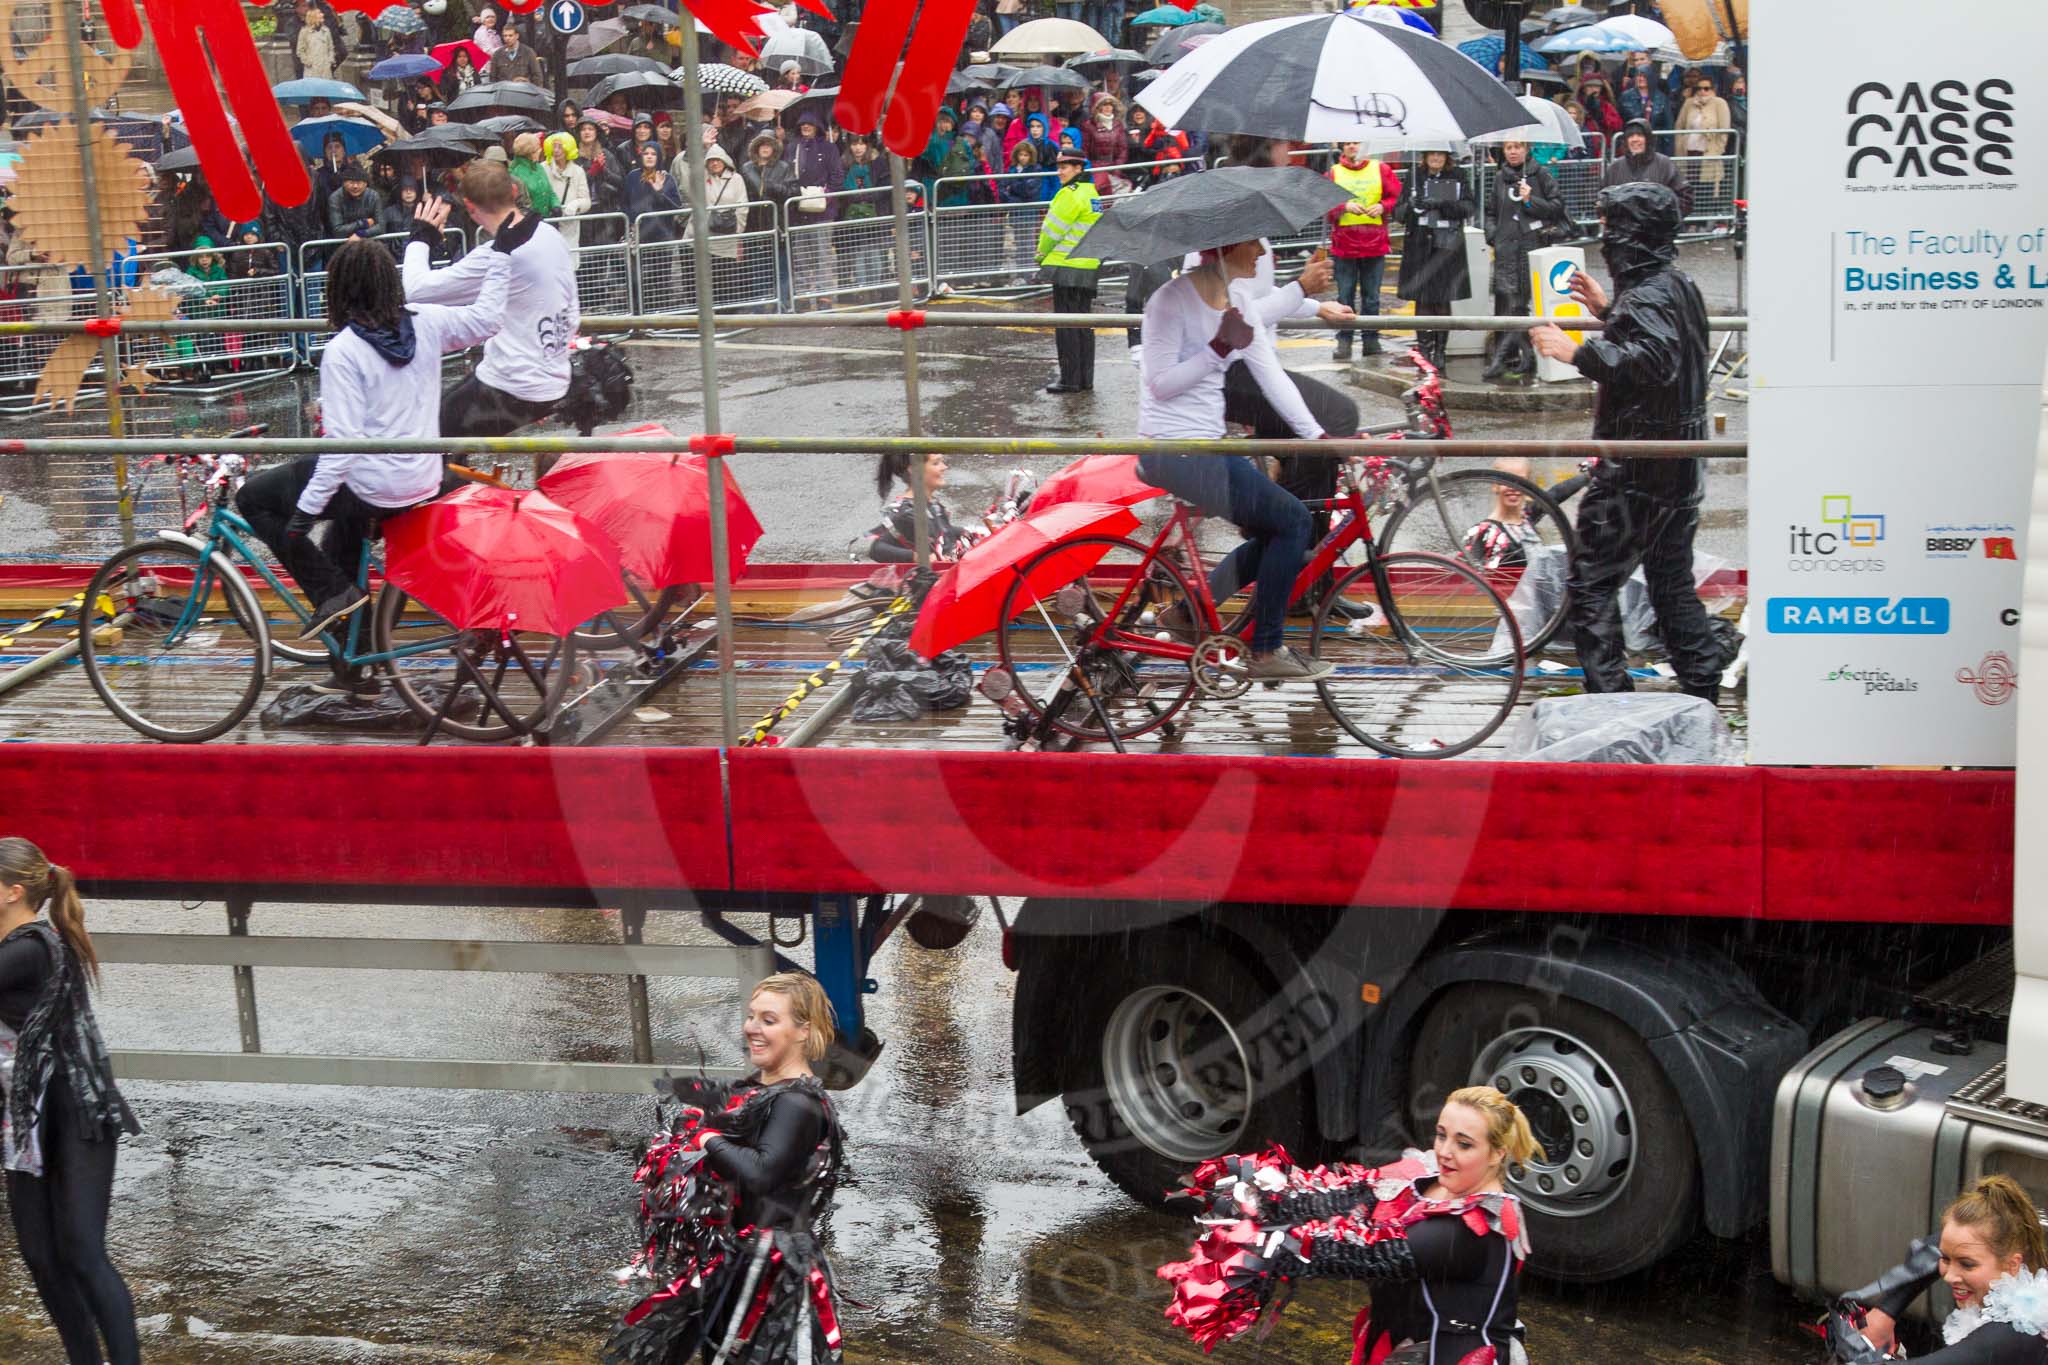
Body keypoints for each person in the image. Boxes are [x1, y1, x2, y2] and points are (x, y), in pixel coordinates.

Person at [239, 231, 509, 661]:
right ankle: (352, 661)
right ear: (390, 283)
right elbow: (488, 320)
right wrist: (501, 256)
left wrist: (302, 519)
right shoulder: (427, 322)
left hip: (371, 486)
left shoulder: (344, 350)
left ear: (340, 291)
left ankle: (331, 593)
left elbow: (341, 448)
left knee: (253, 498)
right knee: (341, 542)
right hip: (422, 478)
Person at [1158, 1085, 1538, 1362]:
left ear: (1497, 1154)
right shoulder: (1424, 1177)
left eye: (1464, 1144)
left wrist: (1268, 1246)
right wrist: (1266, 1195)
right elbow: (1350, 1194)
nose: (1445, 1152)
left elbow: (1366, 1253)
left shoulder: (1477, 1229)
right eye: (1441, 1135)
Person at [1531, 181, 1719, 703]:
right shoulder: (1675, 285)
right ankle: (1702, 690)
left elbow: (1654, 360)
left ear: (1634, 234)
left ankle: (1611, 697)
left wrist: (1578, 353)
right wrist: (1611, 311)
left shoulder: (1651, 293)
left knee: (1592, 583)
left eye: (1613, 228)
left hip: (1637, 466)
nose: (1607, 240)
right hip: (1678, 463)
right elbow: (1660, 345)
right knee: (1669, 582)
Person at [604, 972, 847, 1365]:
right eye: (752, 1017)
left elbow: (761, 1174)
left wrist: (705, 1140)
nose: (752, 1028)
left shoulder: (797, 1104)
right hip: (733, 1256)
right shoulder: (763, 1090)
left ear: (804, 1031)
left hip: (769, 1268)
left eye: (769, 1020)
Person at [1134, 240, 1332, 682]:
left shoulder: (1239, 299)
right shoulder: (1170, 301)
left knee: (1277, 532)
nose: (1262, 254)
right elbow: (1161, 384)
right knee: (1294, 522)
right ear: (1225, 249)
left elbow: (1272, 376)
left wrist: (1318, 436)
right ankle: (1266, 651)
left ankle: (1188, 615)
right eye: (1254, 245)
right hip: (1172, 448)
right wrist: (1219, 349)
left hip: (1209, 445)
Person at [0, 838, 144, 1365]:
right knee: (41, 1256)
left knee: (81, 1252)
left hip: (78, 1112)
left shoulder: (33, 949)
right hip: (29, 1117)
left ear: (12, 893)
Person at [404, 157, 578, 446]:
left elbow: (417, 290)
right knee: (445, 426)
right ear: (513, 191)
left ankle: (447, 488)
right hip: (555, 376)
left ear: (470, 208)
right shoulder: (550, 234)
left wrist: (421, 238)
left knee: (427, 436)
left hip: (512, 386)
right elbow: (572, 307)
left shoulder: (496, 255)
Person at [1832, 1176, 2048, 1363]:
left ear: (2012, 1264)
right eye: (1945, 1259)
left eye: (1967, 1264)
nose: (1950, 1275)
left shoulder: (2014, 1332)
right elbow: (1934, 1246)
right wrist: (1886, 1312)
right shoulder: (2010, 1280)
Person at [1482, 139, 1560, 382]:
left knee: (1519, 305)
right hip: (1505, 250)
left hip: (1530, 248)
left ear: (1526, 149)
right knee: (1509, 304)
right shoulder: (1498, 178)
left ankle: (1501, 358)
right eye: (1509, 147)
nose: (1513, 151)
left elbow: (1557, 208)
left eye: (1518, 147)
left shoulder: (1541, 175)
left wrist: (1530, 200)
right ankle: (1526, 358)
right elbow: (1491, 211)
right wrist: (1493, 234)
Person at [1395, 147, 1473, 372]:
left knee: (1442, 298)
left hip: (1447, 244)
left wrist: (1441, 203)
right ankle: (1424, 348)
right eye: (1432, 154)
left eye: (1441, 154)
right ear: (1425, 156)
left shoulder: (1458, 175)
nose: (1436, 158)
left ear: (1447, 157)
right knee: (1422, 299)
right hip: (1419, 244)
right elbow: (1398, 214)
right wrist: (1411, 204)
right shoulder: (1413, 176)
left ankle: (1440, 349)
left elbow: (1468, 207)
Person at [1324, 139, 1402, 361]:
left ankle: (1371, 341)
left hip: (1373, 244)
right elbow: (1325, 206)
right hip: (1345, 246)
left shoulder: (1381, 169)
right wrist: (1344, 206)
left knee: (1372, 298)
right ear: (1342, 147)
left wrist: (1383, 206)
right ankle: (1344, 342)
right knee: (1344, 297)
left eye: (1356, 142)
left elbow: (1395, 197)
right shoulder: (1334, 173)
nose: (1352, 147)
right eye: (1347, 143)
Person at [1036, 148, 1102, 395]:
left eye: (1065, 167)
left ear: (1078, 168)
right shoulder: (1091, 193)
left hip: (1066, 265)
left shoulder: (1069, 194)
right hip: (1087, 266)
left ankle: (1069, 379)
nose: (1059, 171)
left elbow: (1051, 232)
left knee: (1066, 326)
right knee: (1084, 324)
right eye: (1059, 166)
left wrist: (1041, 254)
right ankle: (1085, 378)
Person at [860, 451, 974, 562]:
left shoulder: (933, 505)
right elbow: (877, 549)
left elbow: (939, 532)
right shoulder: (907, 512)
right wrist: (921, 558)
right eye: (936, 463)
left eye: (942, 462)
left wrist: (964, 532)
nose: (944, 467)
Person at [1602, 118, 1688, 207]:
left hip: (1657, 220)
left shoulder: (1665, 165)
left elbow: (1685, 197)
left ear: (1648, 139)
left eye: (1640, 135)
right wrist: (1604, 214)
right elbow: (1602, 198)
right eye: (1630, 136)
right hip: (1623, 221)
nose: (1635, 139)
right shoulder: (1615, 168)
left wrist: (1668, 217)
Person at [1674, 76, 1734, 196]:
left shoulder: (1720, 103)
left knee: (1706, 188)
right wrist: (1679, 144)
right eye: (1699, 88)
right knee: (1688, 186)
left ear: (1712, 89)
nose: (1702, 91)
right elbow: (1679, 126)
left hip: (1708, 152)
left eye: (1706, 88)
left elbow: (1724, 130)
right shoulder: (1689, 102)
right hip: (1688, 151)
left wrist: (1718, 149)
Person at [542, 133, 590, 248]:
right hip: (548, 225)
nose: (556, 150)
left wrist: (576, 204)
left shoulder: (578, 171)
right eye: (554, 146)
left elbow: (586, 201)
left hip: (569, 227)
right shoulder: (542, 168)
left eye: (560, 146)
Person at [326, 160, 384, 238]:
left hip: (369, 240)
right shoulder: (335, 198)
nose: (355, 186)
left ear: (365, 184)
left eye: (359, 182)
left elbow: (381, 226)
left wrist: (361, 233)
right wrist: (362, 223)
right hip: (343, 242)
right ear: (344, 183)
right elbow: (337, 230)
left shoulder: (373, 196)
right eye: (351, 182)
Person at [507, 130, 557, 218]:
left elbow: (549, 191)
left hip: (547, 220)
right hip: (529, 223)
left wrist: (556, 205)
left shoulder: (539, 167)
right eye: (537, 149)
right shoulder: (515, 172)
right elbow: (519, 203)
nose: (540, 151)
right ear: (529, 152)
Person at [1082, 93, 1128, 175]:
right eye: (1104, 105)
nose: (1108, 107)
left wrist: (1117, 168)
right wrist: (1092, 169)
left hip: (1114, 169)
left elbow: (1123, 149)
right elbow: (1084, 150)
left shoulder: (1118, 125)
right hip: (1095, 169)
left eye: (1110, 105)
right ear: (1097, 107)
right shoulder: (1088, 125)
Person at [489, 19, 542, 85]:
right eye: (505, 36)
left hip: (524, 91)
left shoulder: (528, 52)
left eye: (510, 35)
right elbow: (492, 78)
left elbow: (537, 76)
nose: (507, 38)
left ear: (517, 36)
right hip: (505, 91)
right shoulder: (497, 54)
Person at [295, 2, 335, 80]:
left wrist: (330, 61)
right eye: (319, 13)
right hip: (312, 69)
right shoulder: (304, 32)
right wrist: (307, 62)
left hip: (325, 68)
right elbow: (300, 51)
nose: (322, 15)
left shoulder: (326, 30)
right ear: (313, 17)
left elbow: (331, 48)